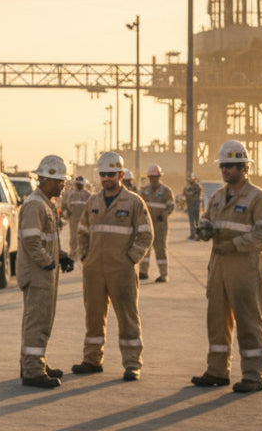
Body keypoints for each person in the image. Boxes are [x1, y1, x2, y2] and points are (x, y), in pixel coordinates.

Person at [191, 139, 262, 394]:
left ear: (244, 167)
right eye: (223, 166)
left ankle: (252, 376)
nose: (225, 170)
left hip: (245, 268)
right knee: (217, 320)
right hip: (218, 267)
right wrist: (205, 230)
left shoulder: (258, 198)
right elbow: (208, 221)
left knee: (248, 320)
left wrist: (235, 245)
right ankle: (217, 371)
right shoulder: (217, 197)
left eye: (230, 166)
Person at [72, 151, 153, 382]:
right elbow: (82, 232)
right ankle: (92, 360)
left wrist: (130, 260)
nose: (106, 178)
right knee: (93, 316)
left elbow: (146, 236)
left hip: (122, 271)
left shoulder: (134, 202)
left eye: (110, 174)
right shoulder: (93, 202)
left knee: (128, 317)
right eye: (102, 174)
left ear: (120, 174)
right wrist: (85, 257)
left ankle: (132, 363)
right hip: (94, 270)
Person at [17, 154, 74, 388]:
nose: (63, 185)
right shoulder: (35, 205)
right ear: (46, 180)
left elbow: (46, 239)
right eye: (60, 181)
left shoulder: (46, 203)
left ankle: (35, 362)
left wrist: (61, 256)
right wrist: (48, 261)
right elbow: (32, 242)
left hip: (45, 272)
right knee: (37, 322)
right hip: (38, 273)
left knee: (43, 320)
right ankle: (32, 371)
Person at [137, 164, 175, 282]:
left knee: (160, 249)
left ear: (159, 177)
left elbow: (171, 206)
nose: (154, 180)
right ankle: (143, 271)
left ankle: (163, 274)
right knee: (145, 247)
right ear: (148, 177)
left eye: (156, 177)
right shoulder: (144, 191)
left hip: (160, 225)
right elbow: (139, 205)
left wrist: (163, 214)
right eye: (152, 177)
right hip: (147, 224)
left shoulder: (166, 191)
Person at [60, 175, 92, 258]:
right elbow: (66, 205)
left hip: (84, 219)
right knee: (73, 237)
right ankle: (74, 252)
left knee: (84, 236)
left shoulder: (87, 195)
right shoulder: (71, 194)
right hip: (74, 219)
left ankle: (83, 253)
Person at [183, 173, 203, 239]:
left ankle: (193, 234)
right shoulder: (198, 186)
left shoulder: (188, 187)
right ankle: (198, 235)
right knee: (197, 220)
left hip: (191, 205)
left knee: (192, 221)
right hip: (196, 205)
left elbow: (185, 194)